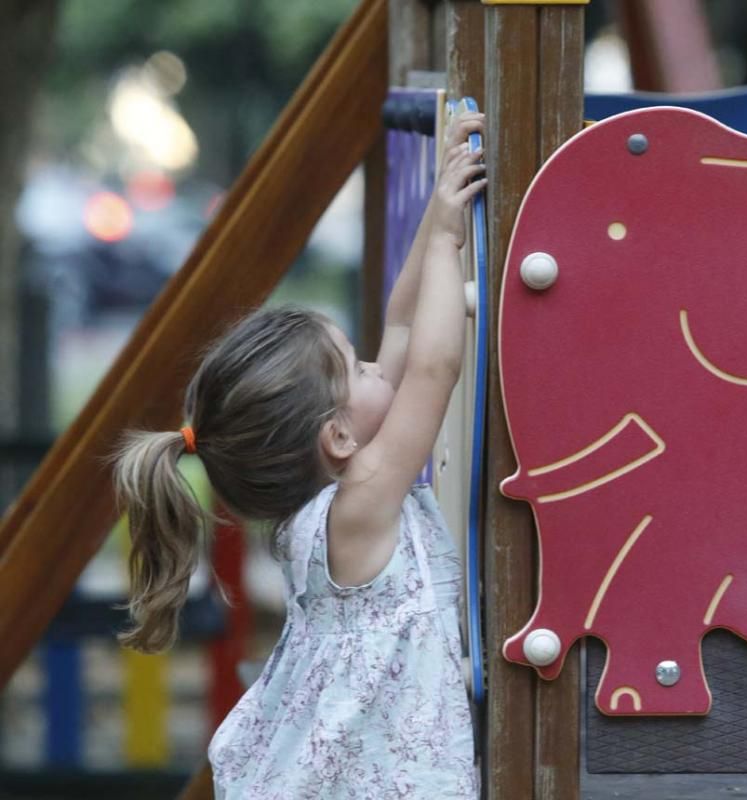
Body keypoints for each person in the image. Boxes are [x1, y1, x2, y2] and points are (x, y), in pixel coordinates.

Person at [112, 111, 487, 798]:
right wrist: (448, 246)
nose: (380, 367)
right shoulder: (362, 502)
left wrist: (437, 221)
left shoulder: (319, 510)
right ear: (337, 437)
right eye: (360, 368)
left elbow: (404, 324)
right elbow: (433, 367)